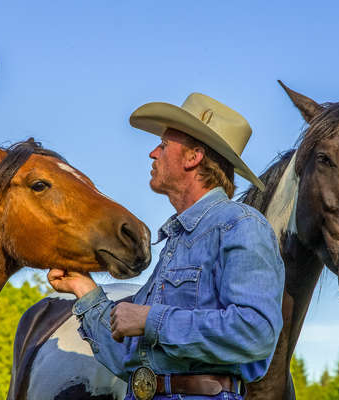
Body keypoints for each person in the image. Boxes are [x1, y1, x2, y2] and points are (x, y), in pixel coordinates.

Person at [48, 93, 285, 400]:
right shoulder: (179, 239)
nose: (152, 153)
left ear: (193, 157)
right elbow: (126, 358)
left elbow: (255, 332)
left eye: (163, 145)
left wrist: (150, 319)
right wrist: (85, 290)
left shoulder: (240, 225)